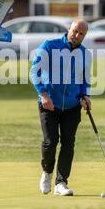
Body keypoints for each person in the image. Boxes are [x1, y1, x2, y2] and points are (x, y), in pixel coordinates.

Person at [30, 19, 92, 196]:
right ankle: (47, 173)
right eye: (75, 31)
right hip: (49, 103)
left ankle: (61, 182)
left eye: (81, 34)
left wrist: (85, 95)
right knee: (51, 142)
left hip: (72, 106)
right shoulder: (50, 46)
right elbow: (34, 71)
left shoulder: (86, 55)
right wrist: (43, 94)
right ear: (69, 29)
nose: (77, 35)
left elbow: (85, 79)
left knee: (68, 143)